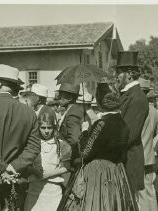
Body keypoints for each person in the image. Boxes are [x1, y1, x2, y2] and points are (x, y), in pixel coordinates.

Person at [58, 83, 138, 211]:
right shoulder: (123, 123)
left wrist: (84, 132)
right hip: (117, 173)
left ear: (101, 103)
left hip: (98, 173)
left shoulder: (101, 124)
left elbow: (85, 152)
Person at [0, 64, 41, 211]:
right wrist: (13, 167)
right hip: (16, 179)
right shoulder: (29, 112)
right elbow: (33, 148)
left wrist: (2, 168)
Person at [115, 51, 149, 204]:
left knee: (128, 204)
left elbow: (128, 135)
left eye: (118, 73)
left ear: (129, 74)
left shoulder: (137, 98)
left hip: (128, 161)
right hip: (121, 160)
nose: (116, 76)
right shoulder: (126, 94)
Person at [24, 110, 72, 211]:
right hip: (35, 187)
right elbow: (25, 163)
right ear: (38, 128)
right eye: (43, 128)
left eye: (49, 128)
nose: (46, 131)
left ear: (54, 128)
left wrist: (48, 174)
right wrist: (34, 171)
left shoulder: (61, 144)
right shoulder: (32, 144)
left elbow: (67, 167)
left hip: (53, 188)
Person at [58, 83, 90, 185]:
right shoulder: (72, 110)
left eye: (61, 94)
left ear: (70, 98)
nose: (59, 97)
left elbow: (75, 140)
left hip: (71, 160)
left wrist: (66, 156)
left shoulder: (73, 113)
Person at [138, 78, 158, 211]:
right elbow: (155, 131)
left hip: (139, 155)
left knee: (140, 192)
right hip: (150, 155)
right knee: (149, 190)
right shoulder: (154, 111)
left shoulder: (138, 108)